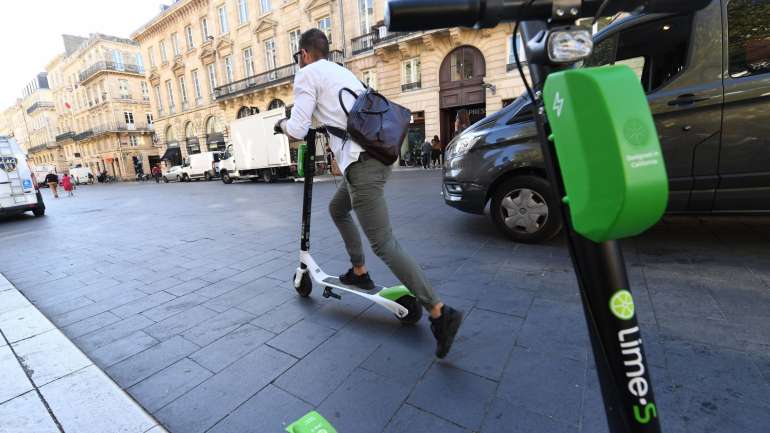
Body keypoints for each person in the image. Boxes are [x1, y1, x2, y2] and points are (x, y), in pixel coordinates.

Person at [274, 29, 463, 358]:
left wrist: (281, 125)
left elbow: (298, 128)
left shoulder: (306, 74)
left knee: (384, 243)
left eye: (298, 57)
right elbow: (334, 118)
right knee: (338, 208)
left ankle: (439, 311)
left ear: (303, 54)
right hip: (373, 158)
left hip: (362, 167)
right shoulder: (341, 72)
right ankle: (359, 272)